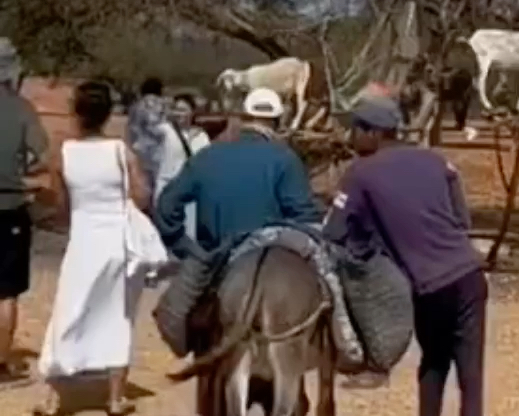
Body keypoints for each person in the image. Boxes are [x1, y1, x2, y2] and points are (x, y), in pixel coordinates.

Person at [324, 97, 487, 416]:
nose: (350, 137)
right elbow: (462, 220)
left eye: (354, 129)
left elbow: (332, 232)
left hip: (429, 285)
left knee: (434, 362)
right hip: (470, 275)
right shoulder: (436, 160)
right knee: (471, 375)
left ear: (373, 133)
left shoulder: (360, 173)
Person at [34, 81, 152, 416]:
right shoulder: (121, 151)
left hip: (84, 239)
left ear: (76, 112)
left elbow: (61, 206)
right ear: (107, 114)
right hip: (116, 240)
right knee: (118, 314)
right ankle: (115, 398)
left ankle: (53, 396)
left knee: (67, 311)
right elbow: (142, 195)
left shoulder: (64, 152)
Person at [155, 87, 321, 257]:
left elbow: (166, 207)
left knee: (179, 283)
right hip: (270, 256)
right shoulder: (285, 159)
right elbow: (306, 218)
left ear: (242, 119)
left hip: (214, 261)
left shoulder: (206, 156)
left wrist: (186, 248)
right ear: (277, 122)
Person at [0, 39, 48, 384]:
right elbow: (43, 157)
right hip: (10, 206)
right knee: (5, 292)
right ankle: (1, 364)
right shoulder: (21, 110)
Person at [154, 94, 211, 239]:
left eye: (183, 110)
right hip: (166, 185)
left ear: (192, 112)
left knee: (188, 231)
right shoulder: (164, 130)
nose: (179, 114)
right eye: (176, 109)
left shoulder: (201, 136)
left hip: (189, 191)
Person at [125, 78, 167, 205]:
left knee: (141, 183)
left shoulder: (136, 106)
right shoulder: (161, 105)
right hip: (158, 149)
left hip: (138, 148)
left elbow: (131, 128)